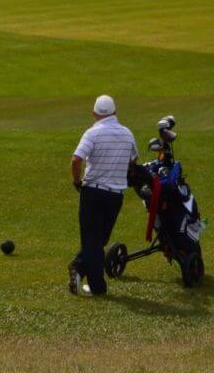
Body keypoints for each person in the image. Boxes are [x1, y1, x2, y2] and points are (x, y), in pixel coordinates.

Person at [67, 93, 138, 296]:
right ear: (115, 112)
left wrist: (76, 181)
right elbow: (134, 162)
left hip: (92, 192)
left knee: (92, 241)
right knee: (98, 241)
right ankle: (81, 271)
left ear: (94, 114)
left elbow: (76, 160)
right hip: (115, 196)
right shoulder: (127, 133)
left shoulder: (92, 133)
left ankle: (87, 277)